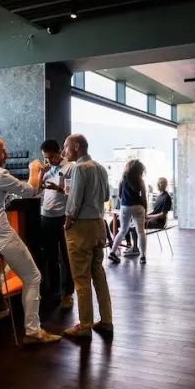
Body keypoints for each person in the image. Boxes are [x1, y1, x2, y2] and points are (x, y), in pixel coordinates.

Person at [0, 135, 60, 345]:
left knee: (13, 251)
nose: (5, 155)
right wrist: (34, 169)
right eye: (2, 151)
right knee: (33, 277)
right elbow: (31, 191)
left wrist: (38, 176)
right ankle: (33, 332)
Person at [62, 134, 113, 338]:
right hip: (99, 225)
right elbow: (107, 196)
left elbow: (74, 201)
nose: (64, 152)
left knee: (81, 278)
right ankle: (106, 320)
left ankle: (84, 326)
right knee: (98, 274)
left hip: (81, 227)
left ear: (76, 146)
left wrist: (67, 221)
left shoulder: (79, 169)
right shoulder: (100, 168)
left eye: (66, 147)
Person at [39, 139, 75, 309]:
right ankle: (55, 291)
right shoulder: (47, 169)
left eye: (51, 157)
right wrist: (41, 174)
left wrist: (57, 188)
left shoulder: (70, 168)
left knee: (67, 257)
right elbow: (38, 188)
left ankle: (68, 293)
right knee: (51, 257)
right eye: (46, 158)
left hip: (62, 217)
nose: (49, 161)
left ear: (59, 152)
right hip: (46, 216)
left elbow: (73, 193)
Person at [109, 159, 148, 265]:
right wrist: (145, 211)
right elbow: (144, 197)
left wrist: (125, 203)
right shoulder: (140, 180)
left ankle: (112, 252)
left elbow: (119, 196)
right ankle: (142, 257)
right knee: (140, 232)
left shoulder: (123, 179)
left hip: (125, 207)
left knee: (122, 231)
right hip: (138, 207)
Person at [125, 177, 172, 256]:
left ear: (165, 185)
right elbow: (155, 211)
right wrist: (145, 214)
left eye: (162, 183)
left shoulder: (166, 197)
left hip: (159, 222)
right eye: (159, 183)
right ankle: (133, 246)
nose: (160, 185)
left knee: (135, 225)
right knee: (133, 222)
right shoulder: (160, 196)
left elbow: (163, 215)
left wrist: (148, 216)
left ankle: (135, 248)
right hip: (154, 219)